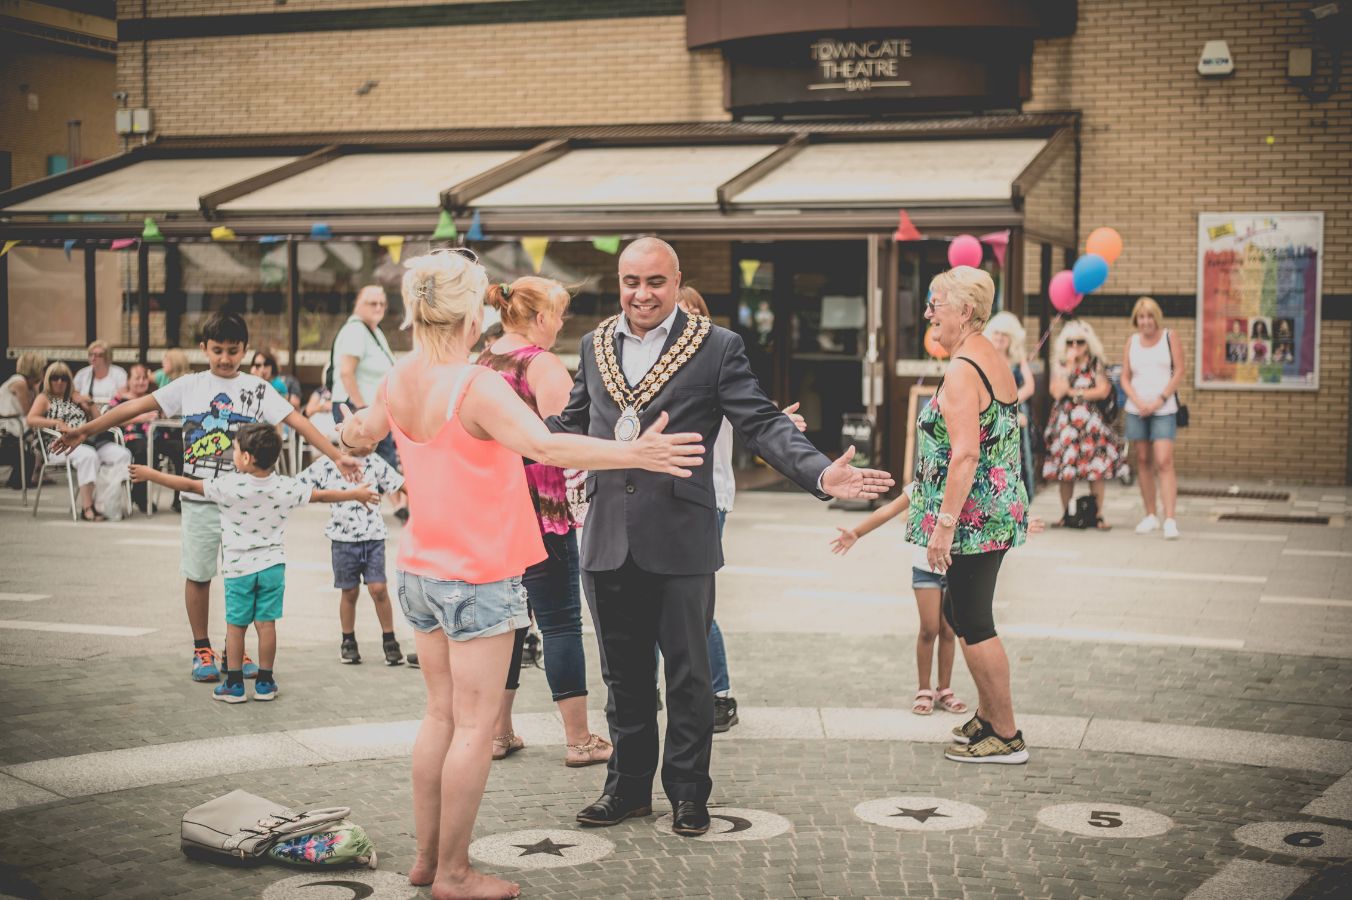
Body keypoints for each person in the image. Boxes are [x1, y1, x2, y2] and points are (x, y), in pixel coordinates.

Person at [338, 248, 704, 900]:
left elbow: (361, 431)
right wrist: (635, 452)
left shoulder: (399, 377)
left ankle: (425, 860)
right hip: (477, 574)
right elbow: (544, 445)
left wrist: (349, 435)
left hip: (419, 568)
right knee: (474, 727)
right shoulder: (475, 385)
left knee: (439, 717)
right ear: (467, 316)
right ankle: (453, 873)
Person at [546, 237, 892, 837]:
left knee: (688, 675)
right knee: (623, 677)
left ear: (677, 281)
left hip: (680, 537)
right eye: (631, 282)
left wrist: (819, 472)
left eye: (655, 281)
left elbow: (760, 423)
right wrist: (495, 429)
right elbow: (571, 424)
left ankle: (687, 792)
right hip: (606, 535)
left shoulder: (716, 345)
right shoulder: (594, 344)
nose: (641, 294)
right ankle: (626, 788)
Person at [54, 311, 360, 683]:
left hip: (243, 506)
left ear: (245, 350)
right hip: (200, 499)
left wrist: (337, 456)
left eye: (233, 350)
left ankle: (235, 648)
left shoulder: (257, 389)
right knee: (198, 574)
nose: (225, 358)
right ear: (204, 349)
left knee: (242, 576)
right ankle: (202, 647)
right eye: (217, 350)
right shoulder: (190, 385)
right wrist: (85, 431)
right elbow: (134, 408)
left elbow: (298, 421)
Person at [131, 424, 377, 703]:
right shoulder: (285, 486)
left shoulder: (228, 486)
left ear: (247, 457)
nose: (233, 455)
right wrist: (355, 494)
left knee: (236, 627)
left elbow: (189, 486)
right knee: (266, 625)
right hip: (273, 567)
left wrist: (150, 474)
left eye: (235, 450)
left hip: (239, 569)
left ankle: (234, 685)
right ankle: (265, 682)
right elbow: (321, 496)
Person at [477, 275, 614, 767]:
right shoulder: (541, 365)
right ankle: (579, 739)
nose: (560, 324)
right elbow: (564, 441)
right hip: (541, 509)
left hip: (495, 508)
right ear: (539, 317)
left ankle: (498, 732)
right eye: (558, 314)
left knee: (509, 623)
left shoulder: (484, 360)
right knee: (560, 623)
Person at [908, 265, 1030, 764]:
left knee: (974, 620)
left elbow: (965, 455)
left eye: (935, 304)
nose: (928, 313)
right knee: (959, 613)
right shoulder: (987, 355)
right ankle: (988, 714)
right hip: (993, 511)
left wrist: (944, 526)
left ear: (965, 311)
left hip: (975, 519)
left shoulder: (962, 369)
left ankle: (1006, 734)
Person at [675, 285, 808, 733]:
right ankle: (658, 688)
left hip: (708, 496)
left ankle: (718, 694)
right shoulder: (652, 364)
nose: (684, 321)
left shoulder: (716, 358)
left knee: (694, 603)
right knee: (655, 599)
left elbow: (748, 414)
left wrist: (777, 423)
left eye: (692, 313)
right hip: (661, 498)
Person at [831, 483, 967, 716]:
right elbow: (887, 510)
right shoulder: (923, 484)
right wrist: (857, 532)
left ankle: (944, 690)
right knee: (929, 629)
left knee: (948, 630)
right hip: (925, 569)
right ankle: (924, 689)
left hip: (957, 567)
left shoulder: (965, 484)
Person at [297, 430, 406, 666]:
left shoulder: (375, 462)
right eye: (366, 440)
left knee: (379, 589)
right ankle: (348, 640)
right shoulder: (327, 464)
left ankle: (389, 639)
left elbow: (400, 484)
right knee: (349, 591)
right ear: (346, 438)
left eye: (374, 440)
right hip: (342, 541)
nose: (372, 444)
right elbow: (298, 487)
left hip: (374, 538)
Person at [330, 286, 406, 519]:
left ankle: (397, 507)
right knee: (365, 462)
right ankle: (371, 512)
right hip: (357, 408)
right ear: (358, 305)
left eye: (382, 303)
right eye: (372, 303)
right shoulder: (356, 330)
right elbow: (346, 372)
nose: (378, 307)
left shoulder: (373, 330)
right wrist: (362, 409)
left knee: (381, 461)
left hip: (374, 409)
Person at [1042, 320, 1122, 530]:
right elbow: (1056, 392)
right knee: (1066, 470)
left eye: (1080, 342)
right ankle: (1066, 514)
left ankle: (1098, 515)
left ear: (1088, 343)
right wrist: (1069, 367)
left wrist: (1075, 393)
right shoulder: (1061, 364)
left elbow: (1102, 391)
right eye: (1070, 342)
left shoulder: (1095, 363)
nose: (1075, 346)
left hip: (1091, 426)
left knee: (1096, 469)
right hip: (1066, 426)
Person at [28, 362, 133, 522]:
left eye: (64, 378)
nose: (59, 382)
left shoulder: (75, 397)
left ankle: (106, 504)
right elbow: (31, 419)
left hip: (89, 441)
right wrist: (56, 422)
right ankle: (87, 507)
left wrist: (89, 403)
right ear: (48, 380)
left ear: (69, 380)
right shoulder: (44, 398)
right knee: (88, 456)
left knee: (122, 455)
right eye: (55, 378)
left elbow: (100, 421)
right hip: (59, 445)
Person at [1121, 297, 1186, 540]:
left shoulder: (1170, 337)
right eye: (1141, 317)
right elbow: (1125, 377)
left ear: (1156, 317)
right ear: (1136, 320)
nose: (1146, 321)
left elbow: (1179, 371)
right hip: (1137, 409)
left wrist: (1159, 400)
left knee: (1164, 460)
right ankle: (1150, 515)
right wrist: (1137, 401)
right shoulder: (1132, 342)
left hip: (1163, 409)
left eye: (1149, 316)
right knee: (1143, 459)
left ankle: (1169, 519)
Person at [111, 363, 183, 512]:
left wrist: (163, 415)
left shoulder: (154, 398)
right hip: (132, 438)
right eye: (137, 378)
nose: (141, 382)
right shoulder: (120, 398)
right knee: (144, 449)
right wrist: (140, 418)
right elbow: (111, 419)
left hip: (157, 437)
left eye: (144, 378)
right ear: (128, 380)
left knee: (180, 448)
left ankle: (179, 499)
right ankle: (140, 495)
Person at [983, 312, 1037, 500]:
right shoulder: (985, 359)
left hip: (1018, 416)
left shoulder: (1018, 360)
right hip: (994, 415)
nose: (999, 338)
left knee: (1020, 458)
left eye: (1004, 334)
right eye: (996, 333)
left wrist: (1012, 403)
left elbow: (1029, 387)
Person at [2, 351, 45, 489]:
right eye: (42, 368)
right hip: (8, 425)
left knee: (40, 430)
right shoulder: (19, 383)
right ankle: (37, 472)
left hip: (14, 424)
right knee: (40, 430)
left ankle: (36, 472)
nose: (43, 371)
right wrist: (37, 391)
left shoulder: (24, 383)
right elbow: (30, 412)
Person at [73, 340, 128, 406]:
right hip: (86, 409)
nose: (93, 358)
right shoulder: (82, 373)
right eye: (91, 354)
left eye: (98, 355)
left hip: (113, 409)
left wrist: (109, 407)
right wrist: (84, 404)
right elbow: (75, 395)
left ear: (107, 357)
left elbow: (122, 395)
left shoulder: (119, 373)